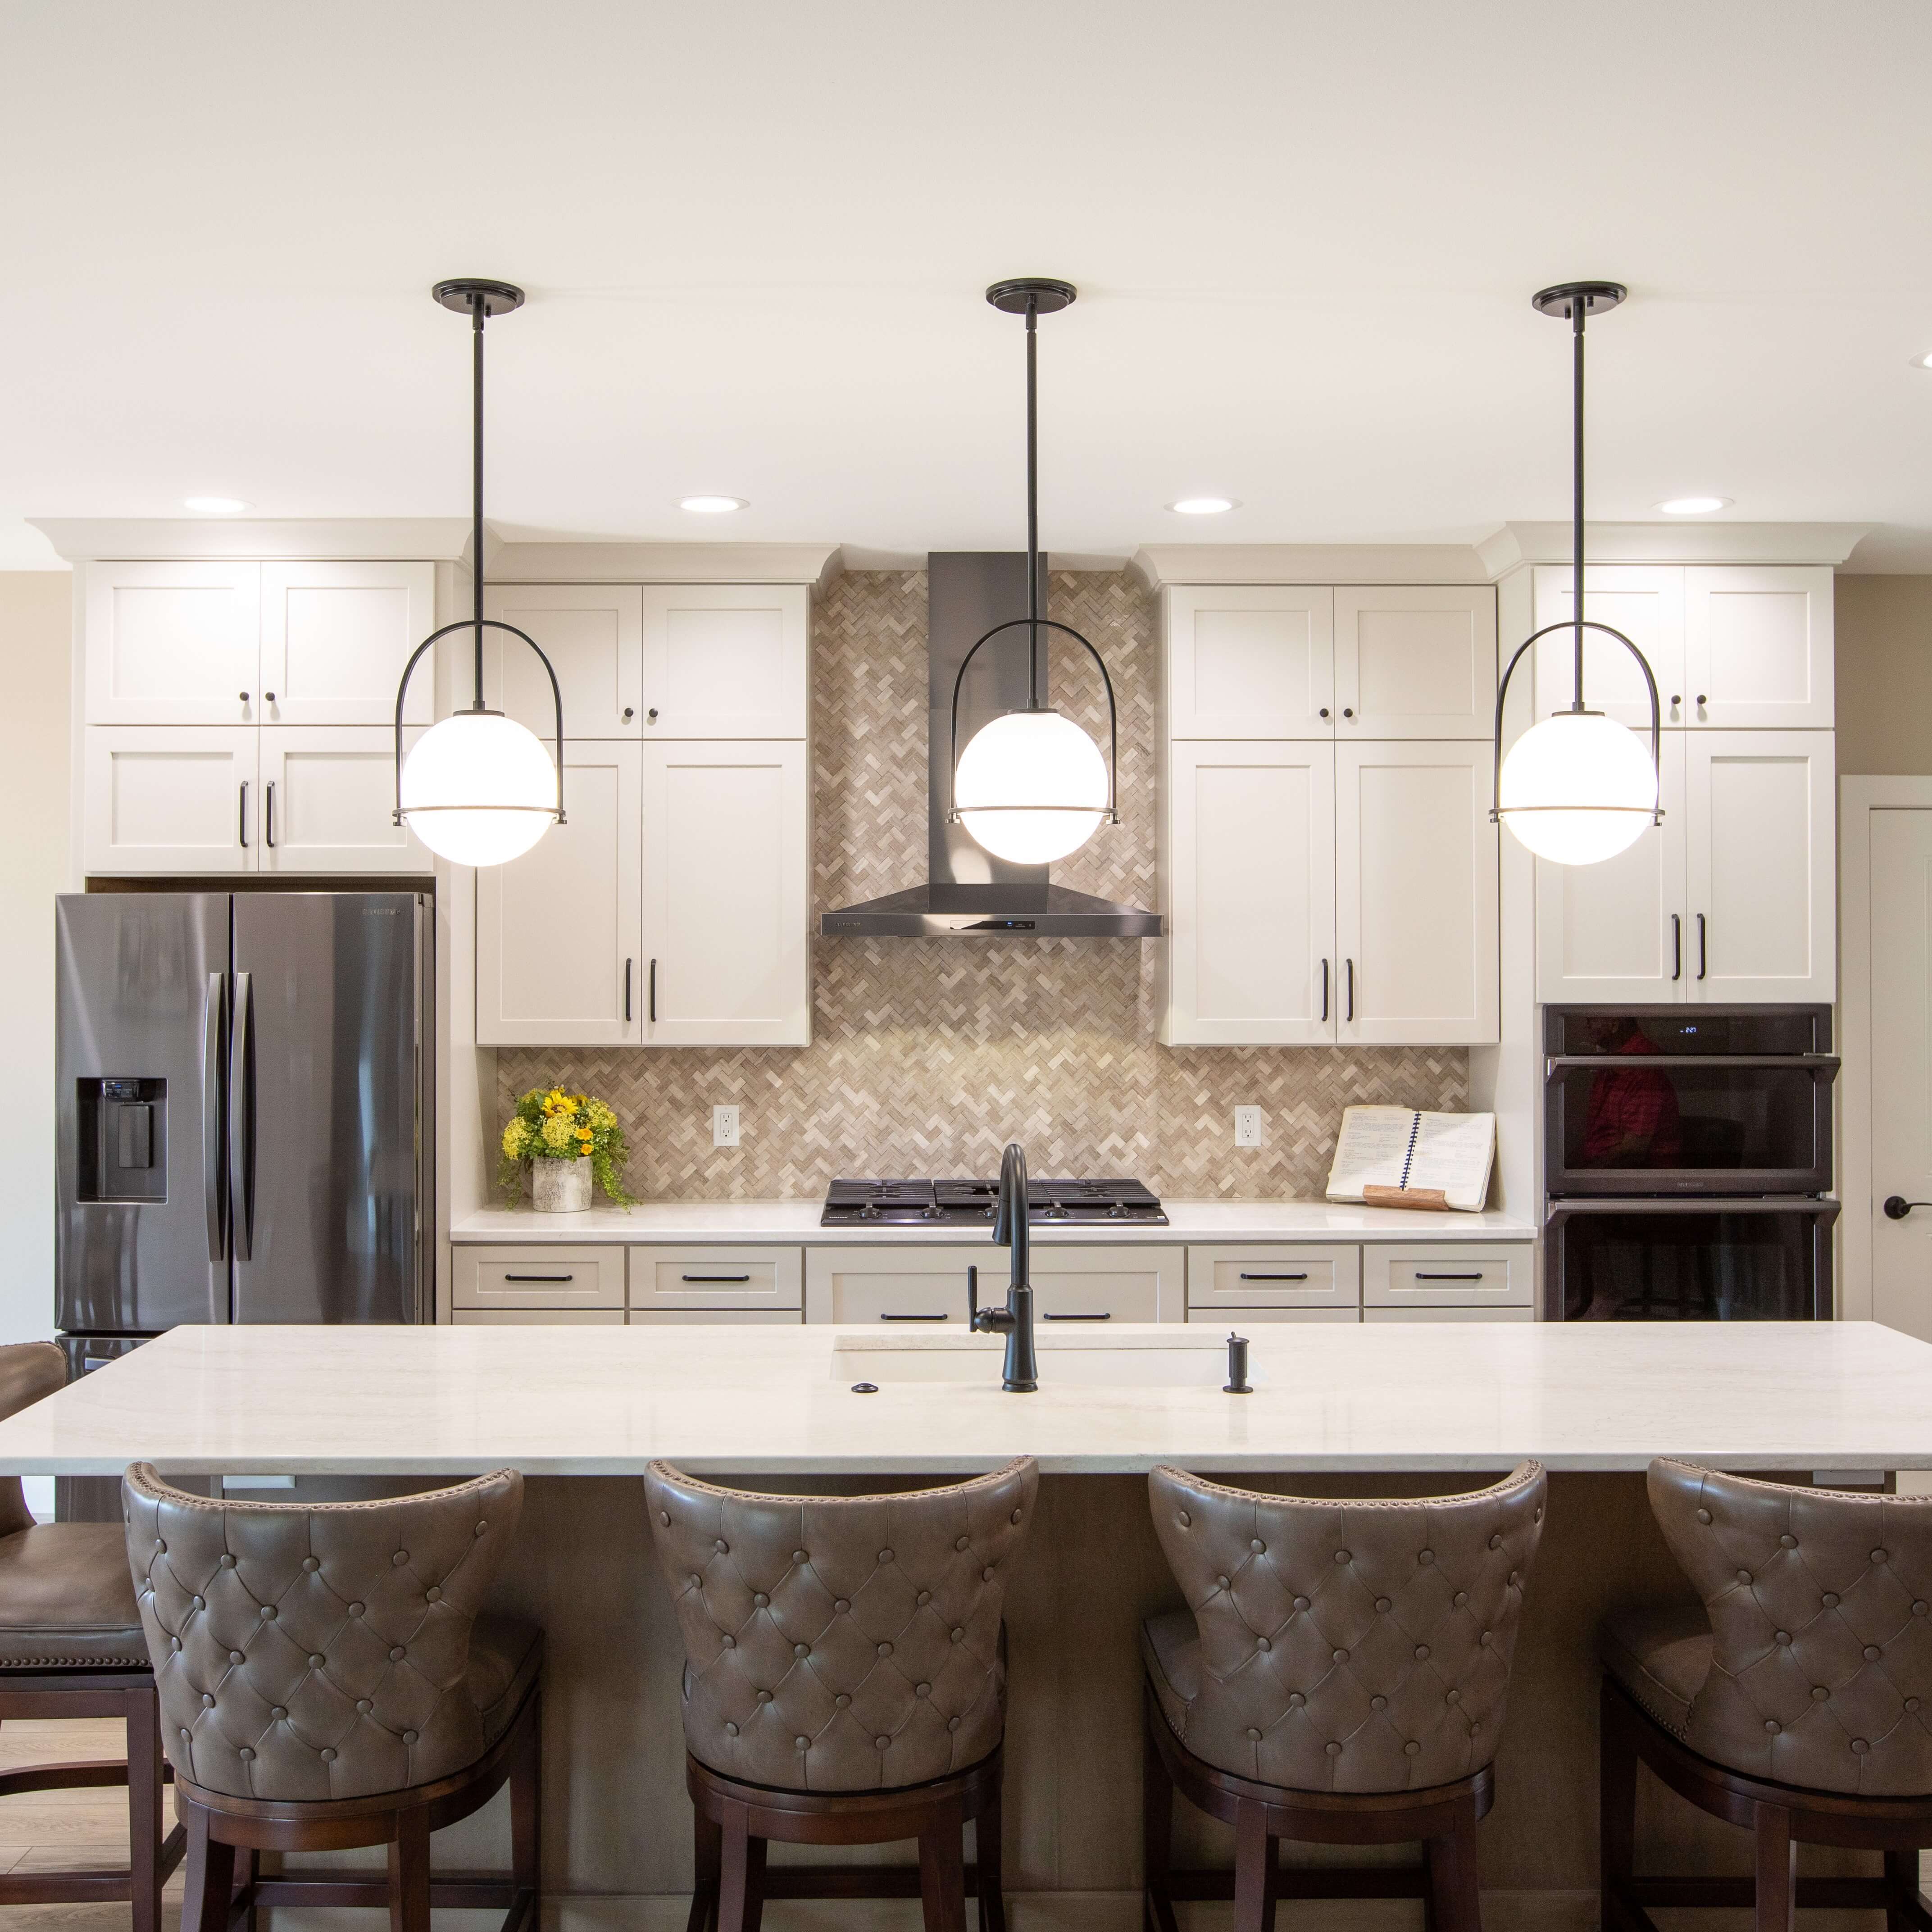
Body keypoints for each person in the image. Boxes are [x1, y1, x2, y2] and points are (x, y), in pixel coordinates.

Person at [1580, 1015, 1682, 1168]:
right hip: (1608, 1174)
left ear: (1614, 1024)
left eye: (1592, 1019)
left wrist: (1584, 1173)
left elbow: (1634, 1150)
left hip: (1641, 1180)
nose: (1587, 1026)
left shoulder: (1642, 1068)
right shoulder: (1613, 1064)